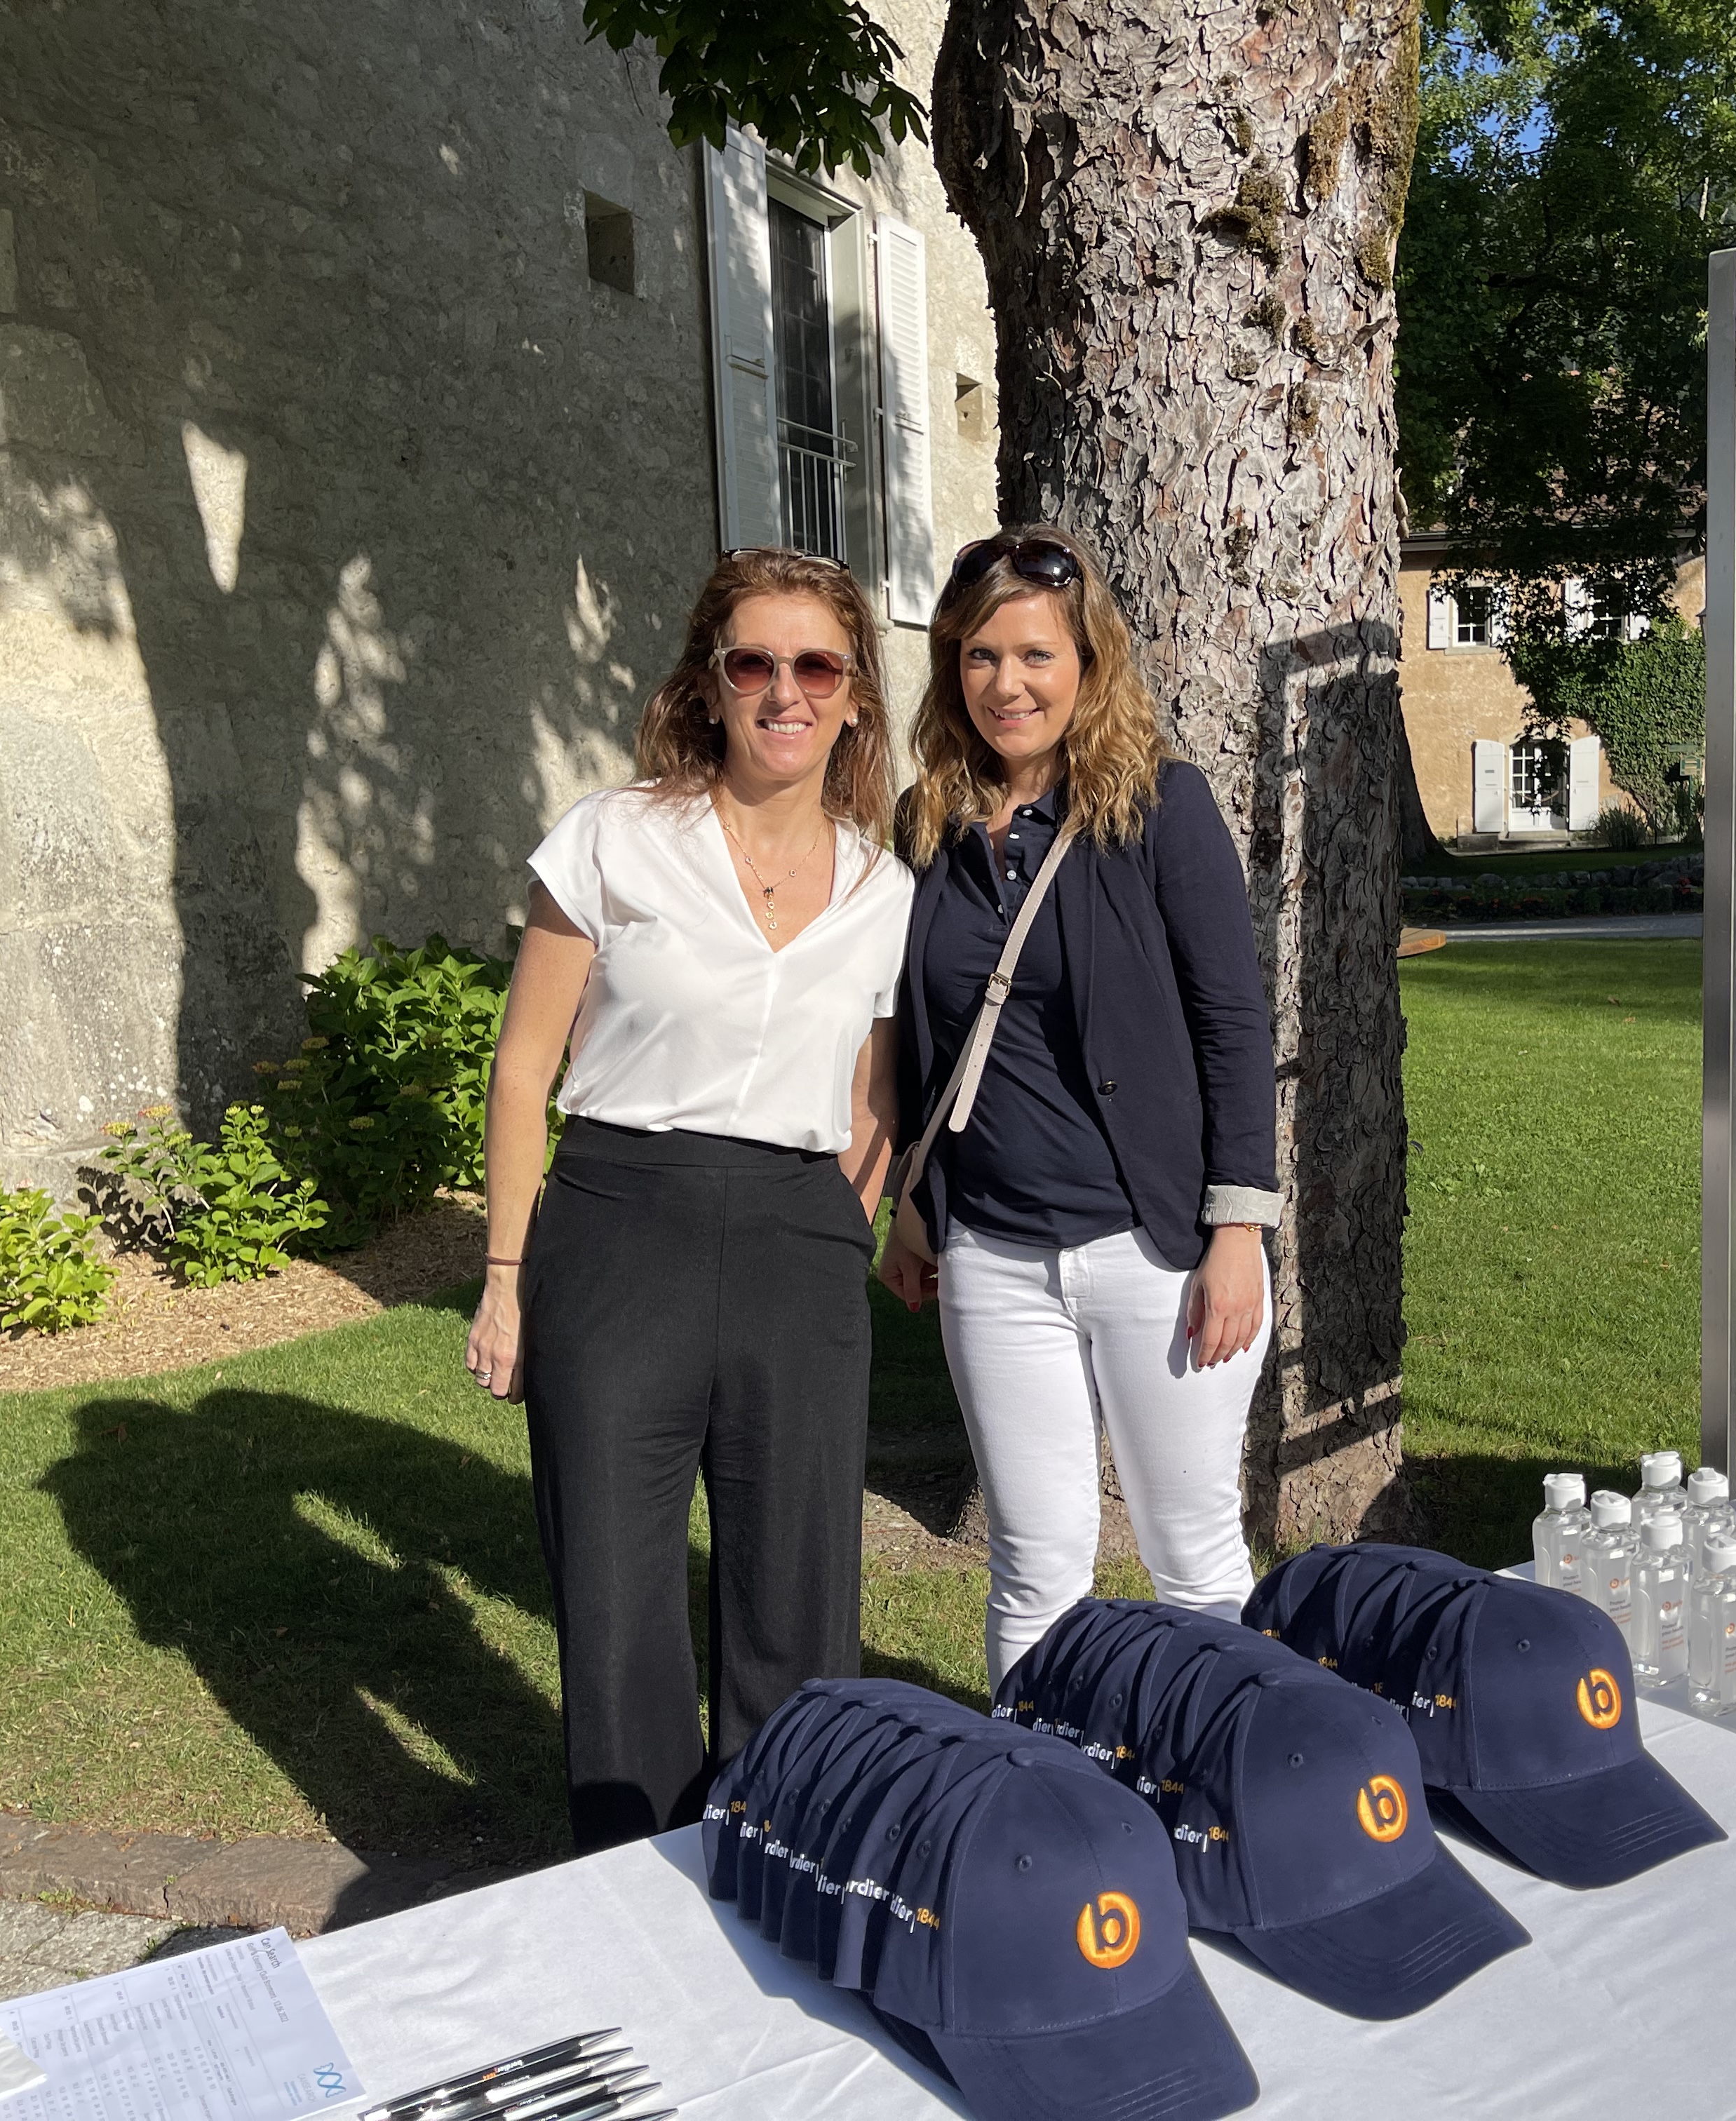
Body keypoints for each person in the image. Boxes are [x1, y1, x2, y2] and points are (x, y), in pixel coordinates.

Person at [466, 546, 910, 1852]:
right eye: (753, 662)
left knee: (797, 1590)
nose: (785, 690)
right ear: (708, 685)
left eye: (816, 665)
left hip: (798, 1241)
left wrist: (841, 1229)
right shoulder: (614, 839)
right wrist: (505, 1278)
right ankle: (636, 1865)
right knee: (614, 1587)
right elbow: (523, 1066)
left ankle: (787, 1854)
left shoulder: (884, 891)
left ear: (853, 697)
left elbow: (877, 1095)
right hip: (618, 1227)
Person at [879, 525, 1279, 1685]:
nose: (1007, 684)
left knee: (1192, 1556)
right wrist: (916, 1201)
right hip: (994, 1258)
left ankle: (1218, 1766)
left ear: (1087, 663)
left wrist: (1239, 1230)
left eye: (1035, 655)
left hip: (1155, 1251)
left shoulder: (1159, 807)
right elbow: (920, 1034)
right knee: (1034, 1564)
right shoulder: (927, 823)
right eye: (980, 656)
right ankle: (1034, 1787)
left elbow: (1233, 1024)